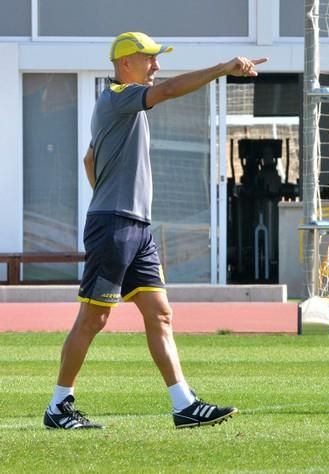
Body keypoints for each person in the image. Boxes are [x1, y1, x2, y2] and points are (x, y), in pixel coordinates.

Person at [43, 32, 268, 429]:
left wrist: (112, 196)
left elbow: (88, 159)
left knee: (160, 314)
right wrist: (222, 68)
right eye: (149, 58)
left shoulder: (122, 105)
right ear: (126, 62)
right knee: (93, 319)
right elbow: (168, 91)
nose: (156, 66)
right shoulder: (119, 96)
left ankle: (183, 404)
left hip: (134, 226)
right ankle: (58, 407)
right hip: (115, 225)